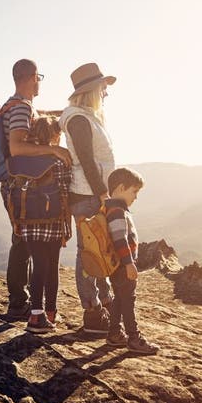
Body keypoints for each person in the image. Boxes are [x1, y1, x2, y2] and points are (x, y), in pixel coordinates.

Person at [2, 59, 72, 319]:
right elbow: (17, 147)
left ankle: (24, 302)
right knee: (24, 241)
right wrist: (52, 149)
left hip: (22, 184)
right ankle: (20, 303)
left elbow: (34, 119)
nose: (40, 81)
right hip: (21, 186)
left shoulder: (21, 106)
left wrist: (67, 112)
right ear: (32, 77)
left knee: (23, 240)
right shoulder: (20, 108)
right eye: (39, 77)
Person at [59, 62, 116, 334]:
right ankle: (93, 312)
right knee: (90, 252)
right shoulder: (79, 119)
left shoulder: (85, 116)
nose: (106, 92)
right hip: (87, 193)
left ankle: (103, 303)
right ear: (92, 89)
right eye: (103, 88)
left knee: (98, 249)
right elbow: (87, 160)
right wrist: (103, 193)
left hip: (91, 192)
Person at [21, 116, 72, 333]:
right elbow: (66, 193)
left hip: (28, 222)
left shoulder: (25, 159)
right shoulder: (59, 160)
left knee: (38, 265)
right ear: (54, 135)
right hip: (53, 222)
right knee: (51, 268)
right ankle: (48, 312)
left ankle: (37, 313)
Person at [104, 167, 159, 354]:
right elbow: (119, 239)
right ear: (120, 188)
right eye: (134, 191)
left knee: (119, 299)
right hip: (122, 265)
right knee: (128, 301)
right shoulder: (117, 211)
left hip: (116, 266)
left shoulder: (112, 208)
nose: (136, 197)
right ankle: (134, 338)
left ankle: (114, 334)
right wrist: (129, 263)